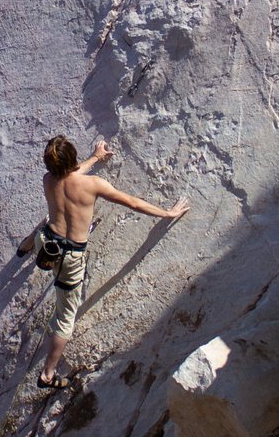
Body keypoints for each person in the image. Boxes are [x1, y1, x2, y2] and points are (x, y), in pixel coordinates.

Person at [17, 135, 189, 388]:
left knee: (50, 215)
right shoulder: (93, 185)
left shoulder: (48, 180)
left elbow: (67, 176)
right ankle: (47, 375)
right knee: (65, 318)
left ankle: (27, 244)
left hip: (47, 243)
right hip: (69, 258)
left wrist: (95, 158)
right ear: (73, 159)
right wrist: (168, 212)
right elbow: (131, 202)